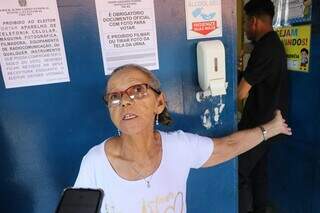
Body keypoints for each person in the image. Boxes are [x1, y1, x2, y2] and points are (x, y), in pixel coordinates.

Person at [74, 64, 291, 213]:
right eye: (115, 96)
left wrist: (270, 129)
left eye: (137, 90)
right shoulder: (96, 163)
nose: (125, 101)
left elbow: (227, 146)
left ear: (159, 103)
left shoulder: (178, 147)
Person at [237, 0, 289, 212]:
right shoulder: (274, 45)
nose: (246, 29)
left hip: (259, 126)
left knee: (238, 171)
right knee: (258, 174)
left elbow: (241, 92)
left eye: (247, 22)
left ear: (254, 21)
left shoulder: (265, 48)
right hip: (269, 124)